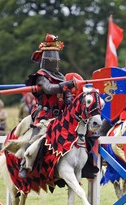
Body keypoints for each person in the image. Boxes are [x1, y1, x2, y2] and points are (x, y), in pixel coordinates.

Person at [17, 34, 79, 178]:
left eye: (56, 56)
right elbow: (49, 89)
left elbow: (66, 93)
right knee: (36, 137)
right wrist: (66, 85)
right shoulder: (41, 75)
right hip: (44, 115)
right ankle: (24, 163)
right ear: (47, 59)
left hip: (60, 116)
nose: (55, 59)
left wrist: (70, 98)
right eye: (53, 56)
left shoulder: (60, 76)